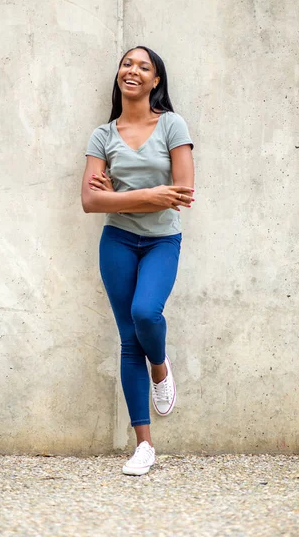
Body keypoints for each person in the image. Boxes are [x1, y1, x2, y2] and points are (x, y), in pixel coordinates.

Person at [81, 46, 194, 475]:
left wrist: (119, 196)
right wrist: (148, 195)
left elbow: (182, 193)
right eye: (128, 64)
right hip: (118, 241)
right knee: (129, 340)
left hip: (162, 241)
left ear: (155, 81)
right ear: (119, 75)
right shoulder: (102, 135)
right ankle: (143, 445)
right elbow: (90, 202)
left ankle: (161, 368)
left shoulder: (171, 125)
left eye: (144, 67)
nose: (133, 70)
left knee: (146, 313)